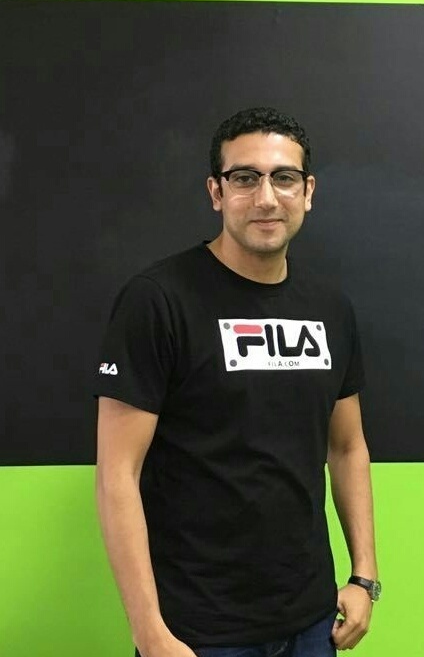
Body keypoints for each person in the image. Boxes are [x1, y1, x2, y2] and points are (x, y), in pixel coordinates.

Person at [95, 107, 380, 657]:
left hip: (313, 621)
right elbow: (116, 474)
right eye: (245, 178)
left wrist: (364, 575)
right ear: (216, 192)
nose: (266, 198)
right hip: (199, 631)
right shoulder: (158, 301)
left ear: (308, 192)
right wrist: (148, 631)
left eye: (284, 178)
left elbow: (347, 447)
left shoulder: (330, 309)